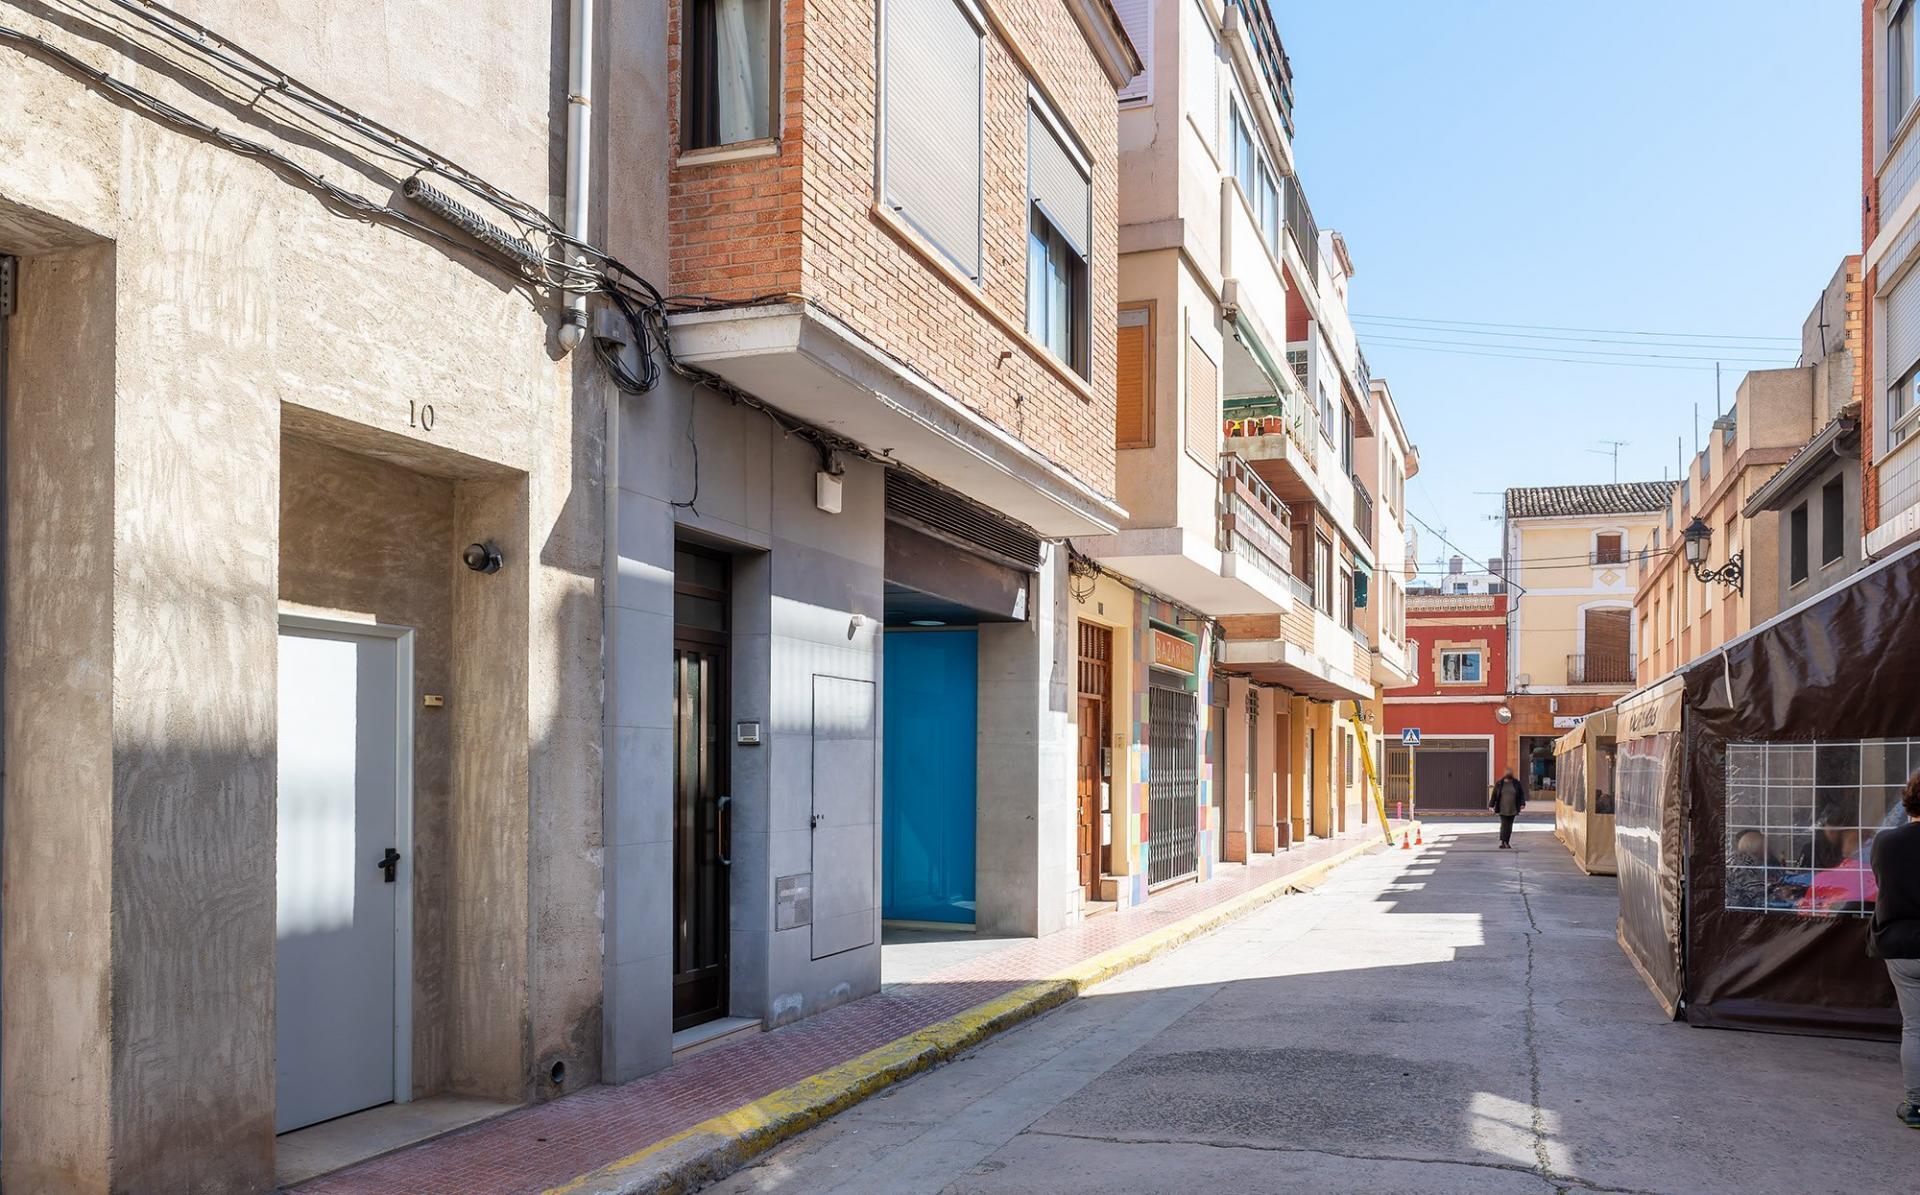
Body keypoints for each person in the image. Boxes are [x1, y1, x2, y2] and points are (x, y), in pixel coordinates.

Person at [1869, 771, 1920, 1130]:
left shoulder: (1886, 843)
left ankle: (1916, 1106)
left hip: (1902, 944)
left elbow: (1883, 887)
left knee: (1915, 1028)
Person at [1490, 768, 1527, 849]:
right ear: (1505, 774)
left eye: (1510, 772)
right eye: (1507, 772)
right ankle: (1503, 842)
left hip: (1513, 809)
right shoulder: (1499, 783)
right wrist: (1491, 805)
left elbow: (1521, 794)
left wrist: (1522, 803)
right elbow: (1494, 795)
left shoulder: (1516, 783)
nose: (1508, 773)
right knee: (1504, 825)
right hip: (1502, 809)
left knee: (1509, 826)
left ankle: (1506, 841)